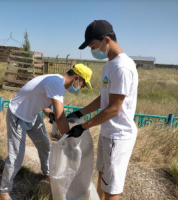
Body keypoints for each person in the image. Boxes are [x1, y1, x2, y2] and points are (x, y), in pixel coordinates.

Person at [67, 20, 138, 200]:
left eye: (93, 45)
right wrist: (80, 113)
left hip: (118, 135)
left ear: (106, 40)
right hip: (107, 132)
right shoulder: (109, 65)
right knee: (102, 176)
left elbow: (114, 108)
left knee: (112, 188)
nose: (92, 51)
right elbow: (103, 99)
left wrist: (84, 127)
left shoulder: (122, 67)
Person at [0, 63, 92, 200]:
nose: (80, 88)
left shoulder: (56, 80)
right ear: (76, 79)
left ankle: (47, 173)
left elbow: (44, 106)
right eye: (82, 85)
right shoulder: (56, 84)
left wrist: (51, 115)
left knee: (44, 146)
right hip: (18, 115)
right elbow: (61, 119)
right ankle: (4, 193)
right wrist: (70, 140)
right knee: (17, 156)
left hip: (32, 115)